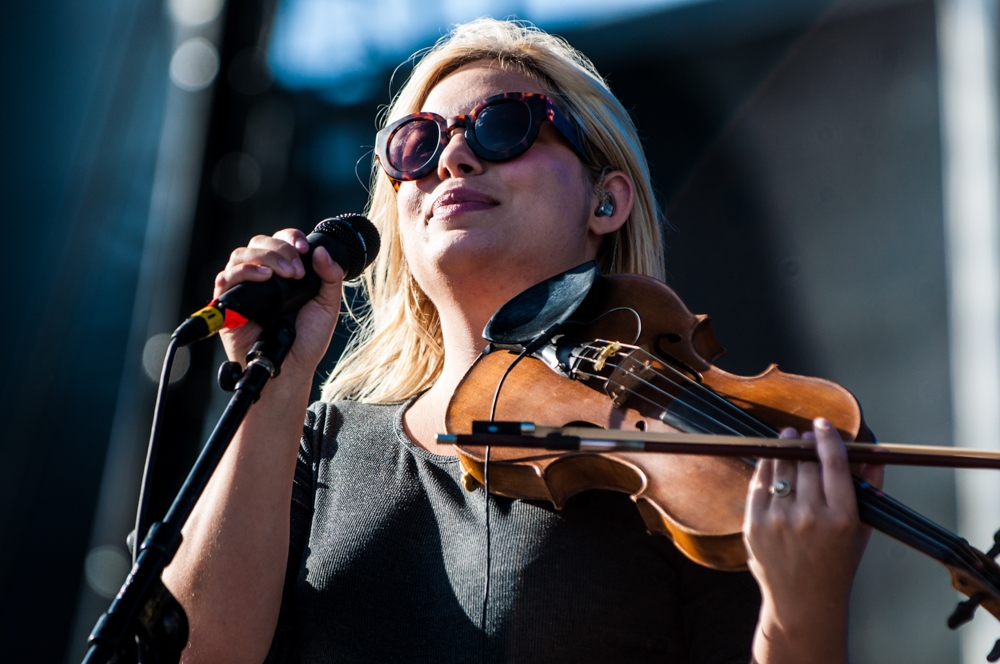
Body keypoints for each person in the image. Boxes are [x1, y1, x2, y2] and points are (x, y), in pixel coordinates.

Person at [162, 17, 883, 664]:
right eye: (417, 144)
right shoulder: (317, 444)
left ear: (606, 200)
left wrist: (804, 609)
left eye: (500, 126)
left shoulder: (683, 454)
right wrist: (279, 382)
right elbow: (200, 655)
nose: (452, 160)